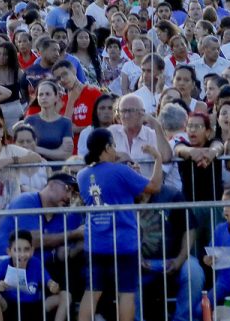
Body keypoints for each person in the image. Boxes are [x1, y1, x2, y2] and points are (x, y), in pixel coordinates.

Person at [76, 126, 166, 321]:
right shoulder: (121, 171)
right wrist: (158, 158)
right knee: (126, 293)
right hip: (124, 241)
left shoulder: (82, 175)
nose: (116, 150)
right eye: (114, 146)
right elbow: (154, 186)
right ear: (107, 147)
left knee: (92, 292)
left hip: (96, 242)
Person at [0, 228, 69, 321]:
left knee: (65, 296)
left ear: (32, 251)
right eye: (17, 250)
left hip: (34, 305)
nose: (22, 254)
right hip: (11, 306)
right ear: (9, 251)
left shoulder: (36, 263)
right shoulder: (3, 264)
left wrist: (54, 286)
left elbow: (49, 282)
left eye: (26, 249)